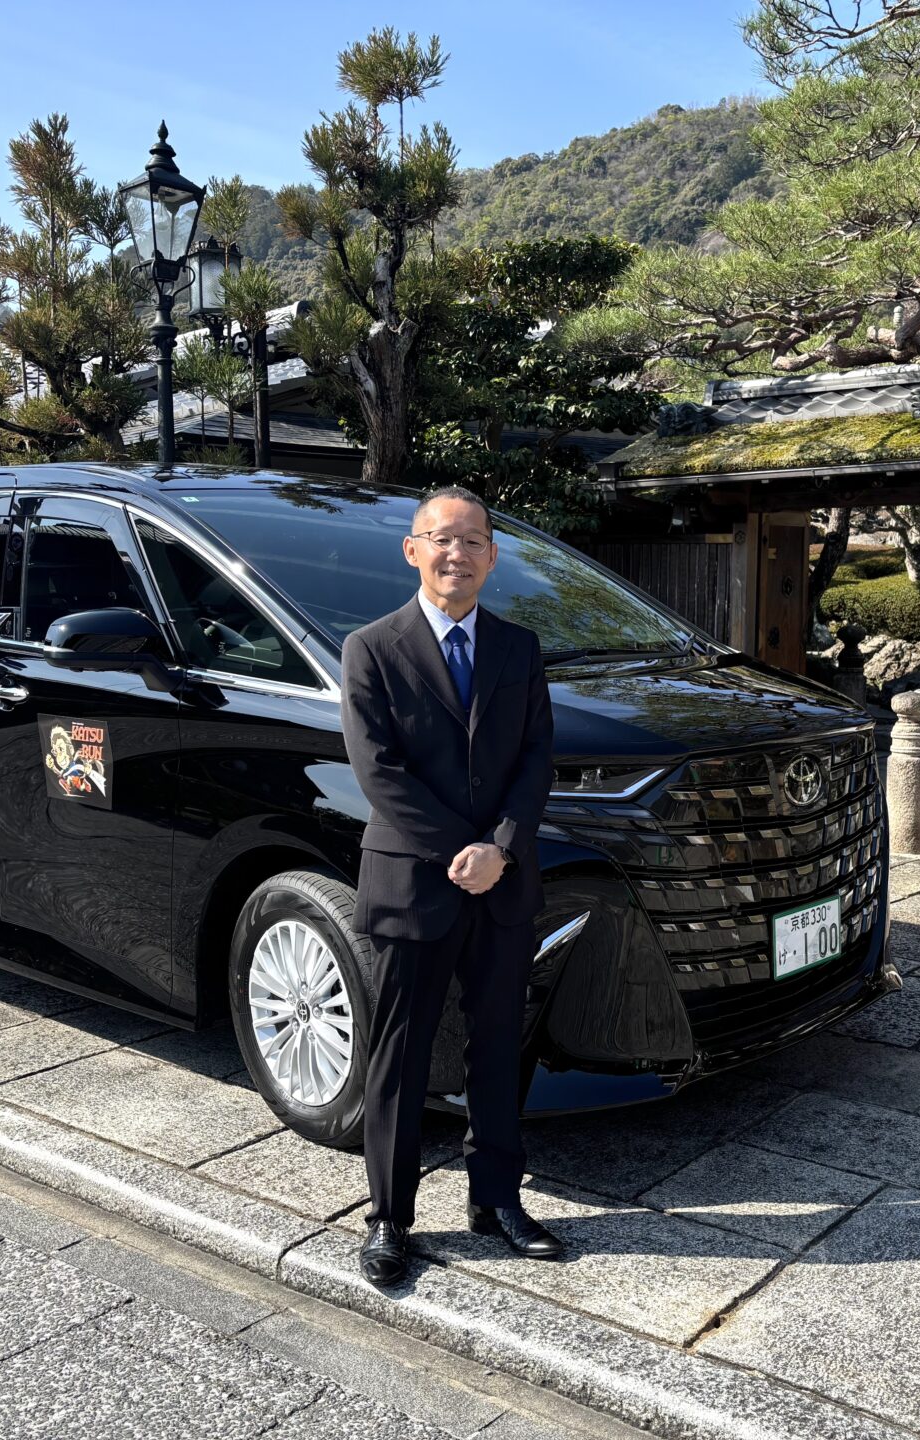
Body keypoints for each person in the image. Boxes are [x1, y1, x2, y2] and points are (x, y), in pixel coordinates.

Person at [339, 485, 562, 1288]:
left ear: (492, 557)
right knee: (399, 1052)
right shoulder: (371, 647)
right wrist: (459, 851)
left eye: (472, 541)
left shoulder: (519, 647)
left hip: (502, 883)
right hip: (414, 881)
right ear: (412, 549)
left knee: (499, 1045)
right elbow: (378, 771)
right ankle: (389, 1218)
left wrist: (500, 847)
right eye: (440, 538)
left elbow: (537, 756)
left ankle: (496, 1200)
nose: (456, 553)